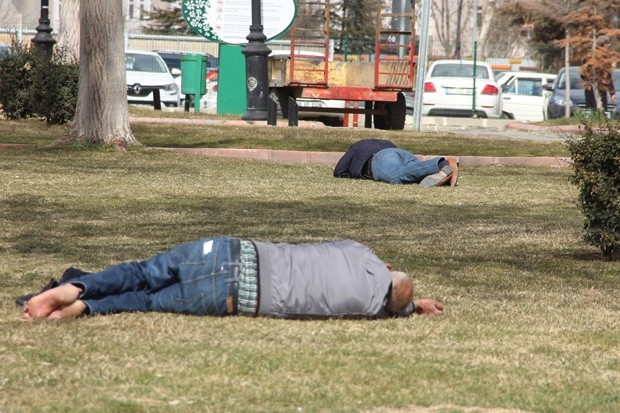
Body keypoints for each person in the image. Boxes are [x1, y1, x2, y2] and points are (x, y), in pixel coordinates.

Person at [22, 237, 444, 320]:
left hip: (233, 252)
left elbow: (389, 283)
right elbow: (392, 301)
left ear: (386, 268)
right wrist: (411, 307)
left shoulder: (358, 251)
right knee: (146, 300)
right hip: (237, 298)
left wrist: (408, 295)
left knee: (143, 273)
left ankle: (74, 288)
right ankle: (82, 308)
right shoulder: (368, 309)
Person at [333, 139, 458, 187]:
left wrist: (353, 174)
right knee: (410, 173)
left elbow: (339, 170)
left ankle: (442, 163)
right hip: (400, 152)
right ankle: (440, 173)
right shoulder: (384, 142)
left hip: (380, 158)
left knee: (394, 176)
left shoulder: (357, 146)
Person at [580, 35, 616, 112]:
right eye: (608, 45)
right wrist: (612, 92)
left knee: (591, 111)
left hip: (589, 87)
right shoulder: (604, 57)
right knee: (601, 110)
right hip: (601, 88)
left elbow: (582, 73)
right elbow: (607, 76)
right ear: (605, 44)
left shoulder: (588, 56)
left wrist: (588, 80)